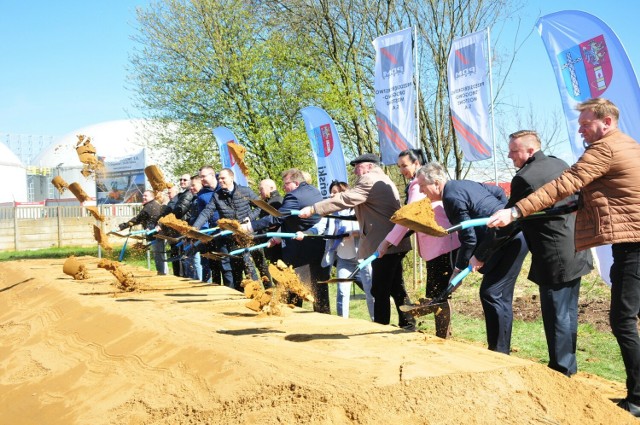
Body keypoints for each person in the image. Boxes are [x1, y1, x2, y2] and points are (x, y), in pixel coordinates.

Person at [488, 98, 640, 416]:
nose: (581, 130)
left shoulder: (605, 147)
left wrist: (515, 210)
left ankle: (637, 398)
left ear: (606, 122)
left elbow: (566, 184)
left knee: (623, 321)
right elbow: (588, 193)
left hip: (631, 247)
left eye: (586, 124)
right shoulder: (628, 144)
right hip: (620, 244)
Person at [494, 130, 593, 375]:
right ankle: (568, 366)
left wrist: (484, 251)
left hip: (554, 256)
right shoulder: (559, 163)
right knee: (568, 312)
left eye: (513, 151)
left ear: (530, 150)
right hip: (576, 248)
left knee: (557, 315)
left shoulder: (524, 178)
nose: (509, 155)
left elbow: (511, 219)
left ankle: (560, 370)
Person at [416, 162, 528, 353]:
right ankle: (501, 350)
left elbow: (468, 238)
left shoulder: (450, 197)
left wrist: (459, 269)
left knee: (491, 293)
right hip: (514, 237)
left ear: (436, 183)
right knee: (499, 295)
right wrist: (501, 211)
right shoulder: (464, 184)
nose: (420, 190)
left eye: (422, 186)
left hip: (506, 241)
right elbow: (498, 192)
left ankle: (499, 352)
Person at [298, 154, 416, 330]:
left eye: (357, 166)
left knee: (379, 289)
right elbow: (372, 210)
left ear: (368, 166)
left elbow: (346, 198)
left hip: (385, 242)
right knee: (395, 285)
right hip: (394, 240)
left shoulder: (369, 179)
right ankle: (407, 322)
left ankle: (381, 326)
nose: (354, 171)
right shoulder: (384, 179)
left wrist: (315, 208)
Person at [377, 149, 460, 338]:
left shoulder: (418, 185)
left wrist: (387, 242)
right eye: (399, 167)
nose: (402, 170)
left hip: (441, 244)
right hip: (438, 244)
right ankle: (443, 334)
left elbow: (409, 217)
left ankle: (443, 337)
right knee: (438, 293)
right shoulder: (419, 184)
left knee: (440, 294)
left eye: (404, 165)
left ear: (417, 163)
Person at [245, 168, 331, 313]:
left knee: (293, 285)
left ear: (296, 183)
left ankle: (293, 314)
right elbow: (290, 221)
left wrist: (250, 226)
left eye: (286, 184)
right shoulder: (315, 191)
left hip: (300, 249)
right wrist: (277, 237)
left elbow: (277, 217)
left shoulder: (293, 196)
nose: (284, 187)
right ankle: (324, 315)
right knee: (319, 285)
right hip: (318, 246)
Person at [194, 168, 270, 290]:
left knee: (258, 264)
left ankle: (266, 291)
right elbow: (206, 212)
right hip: (232, 237)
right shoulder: (217, 196)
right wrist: (195, 227)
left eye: (223, 178)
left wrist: (249, 218)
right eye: (219, 178)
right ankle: (241, 295)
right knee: (238, 267)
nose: (220, 180)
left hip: (250, 233)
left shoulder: (245, 191)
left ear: (231, 178)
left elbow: (260, 207)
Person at [322, 180, 373, 319]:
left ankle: (377, 321)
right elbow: (323, 228)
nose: (332, 195)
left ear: (344, 193)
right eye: (331, 192)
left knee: (370, 292)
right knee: (342, 292)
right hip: (343, 259)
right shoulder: (331, 212)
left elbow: (367, 228)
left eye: (335, 192)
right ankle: (342, 323)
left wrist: (353, 233)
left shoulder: (357, 209)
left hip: (362, 258)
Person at [118, 189, 170, 275]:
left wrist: (123, 226)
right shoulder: (154, 205)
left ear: (152, 197)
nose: (143, 197)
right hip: (158, 233)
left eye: (146, 196)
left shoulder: (149, 207)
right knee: (160, 255)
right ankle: (164, 273)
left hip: (155, 234)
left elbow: (137, 219)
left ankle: (162, 274)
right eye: (143, 195)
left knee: (158, 256)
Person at [166, 173, 194, 277]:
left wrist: (167, 220)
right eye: (180, 179)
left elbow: (180, 210)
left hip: (184, 229)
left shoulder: (188, 194)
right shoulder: (183, 194)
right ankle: (180, 276)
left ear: (191, 181)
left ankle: (184, 278)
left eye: (185, 180)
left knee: (184, 257)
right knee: (179, 257)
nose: (182, 181)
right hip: (178, 229)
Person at [257, 178, 284, 265]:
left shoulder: (276, 202)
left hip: (277, 244)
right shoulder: (268, 202)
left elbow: (273, 223)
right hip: (272, 242)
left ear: (271, 188)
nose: (259, 192)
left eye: (261, 189)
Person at [183, 175, 203, 280]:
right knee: (191, 259)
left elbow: (202, 217)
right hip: (192, 232)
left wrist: (194, 233)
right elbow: (192, 218)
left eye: (193, 185)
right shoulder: (194, 199)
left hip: (200, 233)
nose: (191, 188)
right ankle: (194, 280)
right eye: (190, 186)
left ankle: (201, 281)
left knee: (197, 261)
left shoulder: (202, 199)